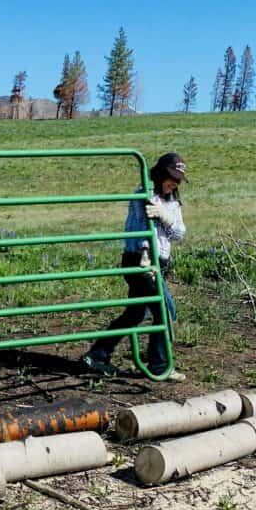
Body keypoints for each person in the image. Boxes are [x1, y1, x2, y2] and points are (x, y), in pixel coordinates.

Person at [82, 152, 188, 382]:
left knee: (136, 313)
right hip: (141, 262)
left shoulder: (172, 202)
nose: (175, 183)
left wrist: (166, 218)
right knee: (166, 310)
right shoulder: (144, 193)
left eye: (179, 180)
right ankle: (160, 366)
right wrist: (146, 256)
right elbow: (140, 226)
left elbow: (180, 233)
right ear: (160, 173)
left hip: (159, 263)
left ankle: (97, 355)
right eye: (172, 177)